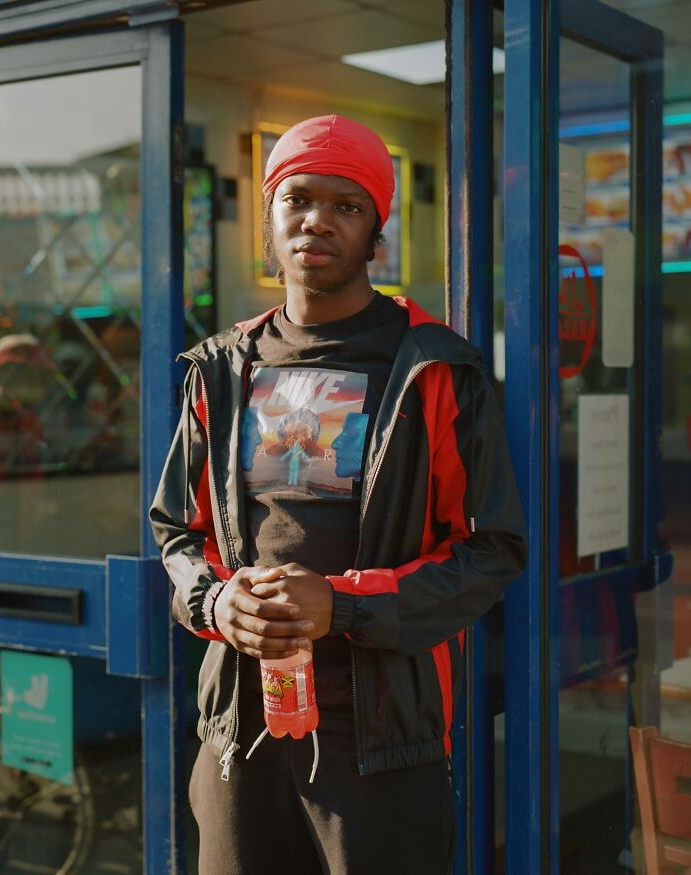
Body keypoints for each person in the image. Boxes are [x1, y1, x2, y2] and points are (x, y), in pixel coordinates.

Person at [149, 114, 526, 875]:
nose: (317, 218)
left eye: (345, 205)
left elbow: (492, 549)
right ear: (269, 219)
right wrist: (217, 603)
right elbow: (175, 531)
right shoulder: (220, 368)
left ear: (375, 233)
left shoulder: (436, 369)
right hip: (240, 728)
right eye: (298, 199)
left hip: (384, 742)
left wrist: (345, 604)